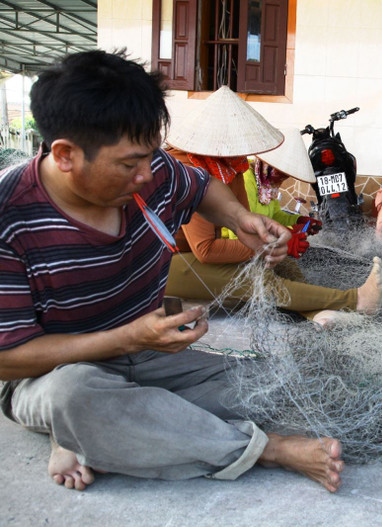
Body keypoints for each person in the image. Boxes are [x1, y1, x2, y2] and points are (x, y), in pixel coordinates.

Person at [0, 50, 344, 493]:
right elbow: (7, 358)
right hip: (54, 374)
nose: (147, 174)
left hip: (145, 353)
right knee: (77, 397)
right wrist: (127, 337)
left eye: (151, 157)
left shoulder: (151, 167)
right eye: (129, 165)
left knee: (270, 383)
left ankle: (93, 434)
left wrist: (242, 219)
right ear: (65, 155)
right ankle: (265, 449)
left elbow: (201, 188)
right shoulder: (10, 218)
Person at [164, 99, 382, 326]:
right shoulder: (190, 171)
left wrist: (284, 233)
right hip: (165, 265)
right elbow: (206, 250)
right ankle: (355, 300)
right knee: (259, 278)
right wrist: (270, 245)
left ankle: (316, 313)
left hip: (205, 253)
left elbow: (243, 222)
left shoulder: (232, 168)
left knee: (282, 264)